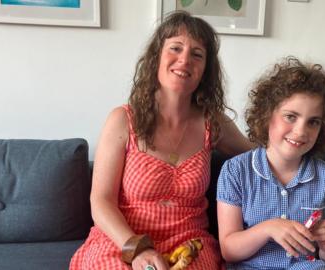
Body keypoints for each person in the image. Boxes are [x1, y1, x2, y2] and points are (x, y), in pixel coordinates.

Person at [69, 11, 254, 270]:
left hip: (190, 244)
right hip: (123, 240)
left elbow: (262, 159)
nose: (185, 60)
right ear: (157, 57)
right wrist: (137, 250)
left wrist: (291, 131)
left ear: (205, 70)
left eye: (197, 54)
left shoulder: (214, 123)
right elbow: (101, 202)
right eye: (175, 48)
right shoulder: (123, 120)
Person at [216, 56, 325, 270]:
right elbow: (229, 250)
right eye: (290, 116)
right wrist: (268, 228)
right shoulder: (235, 171)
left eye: (313, 122)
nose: (300, 131)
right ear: (266, 115)